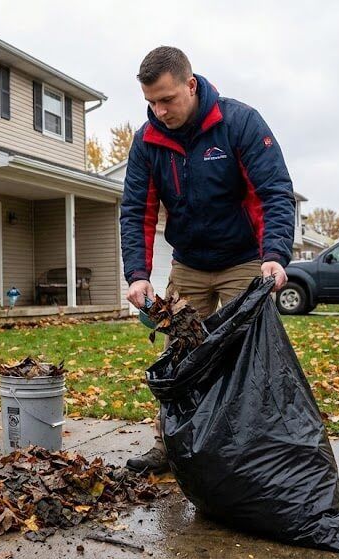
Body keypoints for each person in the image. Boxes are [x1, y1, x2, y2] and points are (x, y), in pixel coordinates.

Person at [120, 46, 296, 473]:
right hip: (189, 265)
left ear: (191, 84)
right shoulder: (148, 141)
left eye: (167, 99)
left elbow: (274, 193)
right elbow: (137, 210)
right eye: (151, 102)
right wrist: (138, 274)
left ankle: (249, 454)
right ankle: (170, 447)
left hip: (242, 263)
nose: (159, 111)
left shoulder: (239, 123)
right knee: (179, 359)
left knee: (244, 359)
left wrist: (273, 256)